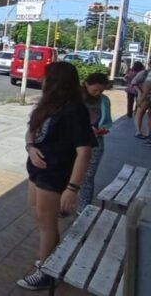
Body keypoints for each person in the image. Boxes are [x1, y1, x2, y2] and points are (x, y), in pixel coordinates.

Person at [18, 62, 95, 291]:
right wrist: (30, 147)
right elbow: (31, 131)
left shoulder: (74, 110)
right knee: (42, 219)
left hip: (55, 174)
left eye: (46, 78)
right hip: (37, 171)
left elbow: (85, 151)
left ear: (57, 82)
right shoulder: (47, 105)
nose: (42, 81)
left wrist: (72, 188)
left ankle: (46, 273)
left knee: (47, 224)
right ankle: (51, 260)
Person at [77, 73, 112, 214]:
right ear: (86, 84)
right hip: (75, 143)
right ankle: (65, 204)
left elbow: (107, 121)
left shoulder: (104, 100)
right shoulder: (75, 99)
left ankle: (83, 209)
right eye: (95, 90)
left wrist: (103, 129)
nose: (98, 94)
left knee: (88, 177)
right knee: (69, 174)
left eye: (101, 91)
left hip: (95, 143)